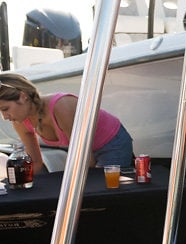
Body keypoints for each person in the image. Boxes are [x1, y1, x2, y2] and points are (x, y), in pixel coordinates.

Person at [0, 73, 133, 173]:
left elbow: (85, 159)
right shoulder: (20, 121)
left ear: (23, 96)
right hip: (86, 153)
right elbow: (35, 163)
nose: (4, 117)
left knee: (103, 190)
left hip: (112, 143)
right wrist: (13, 182)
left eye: (5, 109)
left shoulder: (60, 105)